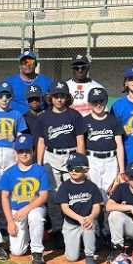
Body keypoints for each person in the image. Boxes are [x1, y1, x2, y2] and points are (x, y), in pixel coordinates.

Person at [37, 81, 87, 237]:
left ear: (67, 98)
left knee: (74, 193)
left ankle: (74, 228)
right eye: (56, 96)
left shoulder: (74, 115)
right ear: (50, 98)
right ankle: (58, 229)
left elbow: (80, 141)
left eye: (62, 96)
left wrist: (80, 162)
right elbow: (41, 141)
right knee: (53, 196)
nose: (59, 99)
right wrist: (39, 164)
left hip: (70, 156)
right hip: (50, 156)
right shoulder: (44, 117)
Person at [0, 134, 49, 264]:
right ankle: (28, 236)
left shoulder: (40, 170)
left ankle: (37, 252)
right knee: (17, 251)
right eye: (21, 151)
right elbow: (4, 197)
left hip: (34, 207)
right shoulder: (9, 172)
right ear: (16, 152)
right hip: (16, 210)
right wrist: (10, 221)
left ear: (32, 151)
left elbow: (43, 196)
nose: (24, 154)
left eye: (27, 150)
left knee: (35, 216)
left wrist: (26, 209)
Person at [54, 152, 101, 264]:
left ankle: (89, 256)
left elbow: (97, 207)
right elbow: (64, 208)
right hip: (71, 224)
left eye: (77, 168)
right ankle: (78, 244)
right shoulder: (65, 186)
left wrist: (91, 217)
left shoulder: (91, 186)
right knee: (72, 257)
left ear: (86, 170)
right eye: (70, 168)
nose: (73, 171)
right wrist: (79, 218)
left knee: (88, 225)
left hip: (86, 221)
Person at [83, 87, 125, 215]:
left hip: (110, 160)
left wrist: (122, 171)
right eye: (95, 102)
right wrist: (83, 166)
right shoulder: (85, 121)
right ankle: (93, 224)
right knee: (92, 193)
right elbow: (81, 145)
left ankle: (108, 224)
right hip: (92, 160)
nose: (98, 104)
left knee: (110, 193)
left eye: (101, 101)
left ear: (106, 101)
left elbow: (119, 145)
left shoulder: (113, 120)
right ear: (90, 103)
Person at [6, 48, 53, 114]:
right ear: (19, 66)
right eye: (24, 62)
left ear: (35, 64)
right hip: (17, 118)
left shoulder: (47, 82)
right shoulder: (10, 82)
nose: (27, 65)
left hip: (39, 118)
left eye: (30, 62)